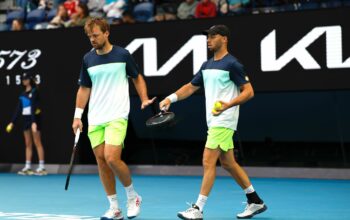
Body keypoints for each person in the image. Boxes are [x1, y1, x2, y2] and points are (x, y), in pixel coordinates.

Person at [160, 25, 267, 219]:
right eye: (207, 37)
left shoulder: (233, 64)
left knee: (208, 160)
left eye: (213, 36)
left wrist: (228, 105)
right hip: (214, 121)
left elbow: (249, 91)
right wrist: (170, 98)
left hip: (224, 120)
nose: (208, 40)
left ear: (224, 39)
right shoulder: (207, 65)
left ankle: (198, 209)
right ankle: (255, 201)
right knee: (228, 163)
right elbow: (190, 87)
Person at [71, 17, 155, 220]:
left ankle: (133, 196)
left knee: (111, 158)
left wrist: (143, 98)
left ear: (106, 33)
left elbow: (137, 77)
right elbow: (84, 88)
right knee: (101, 161)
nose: (92, 39)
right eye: (89, 36)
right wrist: (77, 116)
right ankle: (114, 207)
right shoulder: (87, 59)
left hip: (117, 115)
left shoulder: (122, 54)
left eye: (96, 35)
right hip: (96, 117)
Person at [7, 73, 47, 176]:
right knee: (28, 143)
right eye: (22, 79)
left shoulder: (35, 91)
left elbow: (34, 107)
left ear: (29, 80)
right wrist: (12, 122)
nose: (23, 81)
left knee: (37, 141)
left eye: (25, 79)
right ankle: (28, 167)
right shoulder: (22, 94)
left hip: (34, 119)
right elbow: (18, 109)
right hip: (25, 120)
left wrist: (34, 122)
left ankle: (42, 167)